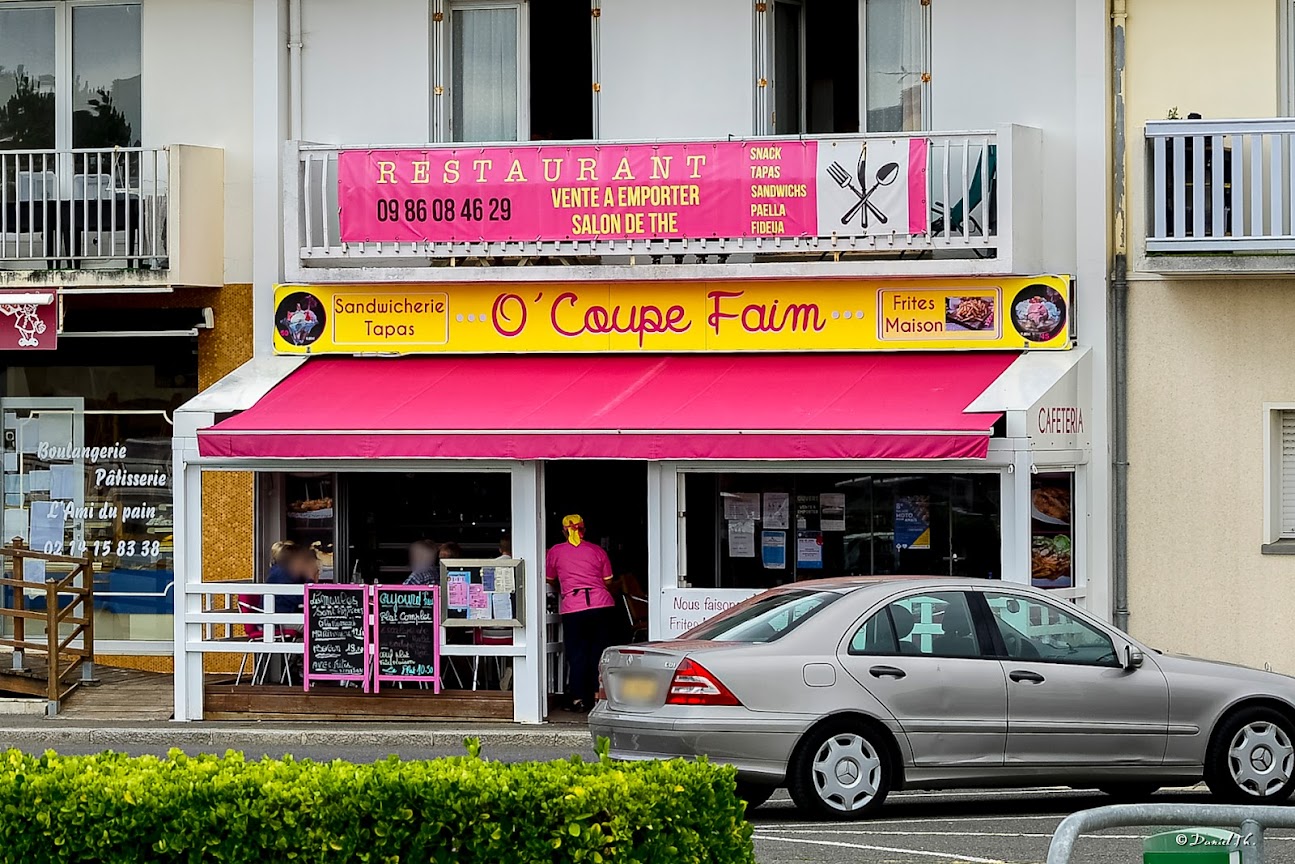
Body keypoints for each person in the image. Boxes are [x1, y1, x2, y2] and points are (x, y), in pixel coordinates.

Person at [545, 514, 615, 713]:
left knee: (576, 654)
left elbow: (550, 578)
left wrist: (565, 587)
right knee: (599, 653)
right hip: (601, 605)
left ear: (564, 531)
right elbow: (608, 580)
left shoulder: (555, 552)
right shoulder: (597, 550)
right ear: (583, 530)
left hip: (574, 607)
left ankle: (577, 698)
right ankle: (598, 695)